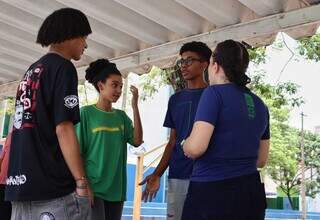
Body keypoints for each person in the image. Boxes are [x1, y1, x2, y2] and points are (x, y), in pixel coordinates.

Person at [5, 8, 93, 220]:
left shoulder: (32, 70)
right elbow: (63, 127)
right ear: (70, 35)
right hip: (53, 189)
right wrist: (81, 181)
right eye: (84, 37)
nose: (86, 45)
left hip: (20, 185)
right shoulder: (63, 68)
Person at [182, 39, 270, 220]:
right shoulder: (260, 104)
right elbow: (261, 160)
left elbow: (196, 147)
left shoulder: (213, 93)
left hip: (213, 193)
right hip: (250, 193)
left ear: (215, 65)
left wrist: (186, 144)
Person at [140, 41, 212, 220]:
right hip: (178, 175)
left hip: (208, 176)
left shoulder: (214, 95)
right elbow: (172, 142)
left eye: (189, 60)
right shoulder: (175, 99)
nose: (184, 65)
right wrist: (157, 174)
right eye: (181, 61)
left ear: (205, 64)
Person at [76, 59, 143, 220]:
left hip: (116, 191)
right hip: (94, 189)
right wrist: (85, 186)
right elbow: (77, 153)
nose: (119, 90)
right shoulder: (85, 114)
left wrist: (135, 106)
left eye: (121, 86)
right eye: (114, 85)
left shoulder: (121, 116)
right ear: (101, 86)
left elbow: (137, 141)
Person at [0, 132, 12, 220]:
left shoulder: (10, 135)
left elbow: (1, 158)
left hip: (8, 182)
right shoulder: (10, 135)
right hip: (7, 182)